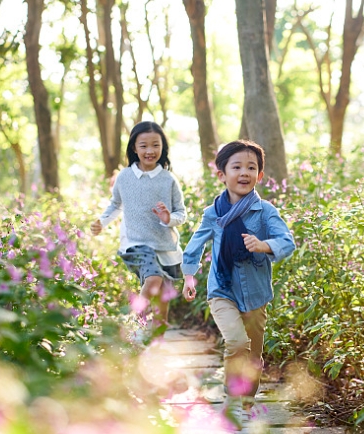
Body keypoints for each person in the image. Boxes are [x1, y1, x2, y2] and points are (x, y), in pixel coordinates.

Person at [181, 140, 296, 430]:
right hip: (222, 289)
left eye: (251, 167)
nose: (244, 172)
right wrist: (189, 276)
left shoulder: (265, 211)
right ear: (222, 174)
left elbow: (287, 241)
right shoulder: (213, 213)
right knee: (237, 341)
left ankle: (247, 398)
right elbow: (195, 246)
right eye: (236, 167)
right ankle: (233, 396)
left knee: (254, 351)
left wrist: (264, 245)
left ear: (259, 176)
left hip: (256, 293)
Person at [91, 121, 186, 339]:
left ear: (163, 147)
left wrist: (168, 218)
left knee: (162, 303)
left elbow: (181, 213)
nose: (150, 151)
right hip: (136, 244)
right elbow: (116, 204)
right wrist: (101, 222)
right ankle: (133, 326)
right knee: (153, 279)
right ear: (134, 148)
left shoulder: (168, 180)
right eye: (143, 146)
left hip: (165, 247)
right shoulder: (125, 177)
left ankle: (155, 349)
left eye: (155, 145)